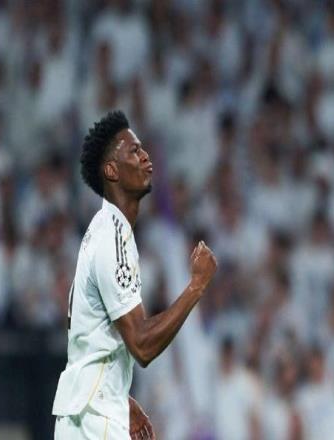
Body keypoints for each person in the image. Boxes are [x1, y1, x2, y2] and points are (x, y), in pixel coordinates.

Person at [52, 111, 217, 439]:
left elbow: (89, 338)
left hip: (90, 412)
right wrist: (196, 286)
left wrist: (120, 398)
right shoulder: (111, 240)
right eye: (133, 151)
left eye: (142, 148)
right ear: (111, 171)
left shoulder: (106, 232)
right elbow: (141, 346)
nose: (144, 157)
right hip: (95, 420)